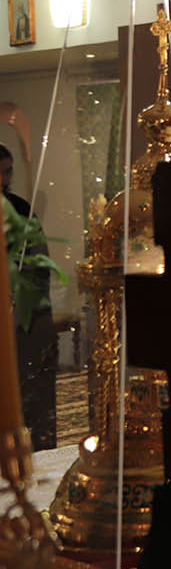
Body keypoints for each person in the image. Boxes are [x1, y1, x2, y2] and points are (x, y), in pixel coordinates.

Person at [1, 144, 55, 449]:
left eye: (8, 172)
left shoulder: (21, 210)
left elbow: (39, 265)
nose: (4, 179)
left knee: (29, 399)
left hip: (22, 319)